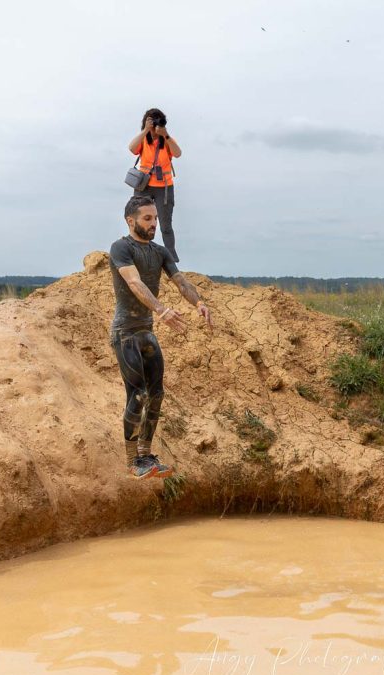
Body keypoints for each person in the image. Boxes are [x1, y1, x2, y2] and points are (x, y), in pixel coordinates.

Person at [109, 195, 213, 479]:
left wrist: (199, 303)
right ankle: (132, 461)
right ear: (130, 221)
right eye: (147, 218)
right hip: (125, 332)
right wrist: (161, 309)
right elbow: (134, 282)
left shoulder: (160, 252)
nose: (154, 223)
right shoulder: (121, 248)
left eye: (155, 218)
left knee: (156, 395)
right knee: (138, 394)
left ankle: (146, 455)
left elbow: (181, 282)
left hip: (146, 332)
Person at [128, 107, 183, 262]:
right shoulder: (143, 139)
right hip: (143, 186)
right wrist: (146, 130)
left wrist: (165, 135)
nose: (155, 126)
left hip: (164, 188)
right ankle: (137, 253)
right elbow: (131, 148)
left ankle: (171, 259)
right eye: (152, 121)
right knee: (139, 219)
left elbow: (178, 153)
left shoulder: (167, 140)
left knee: (165, 225)